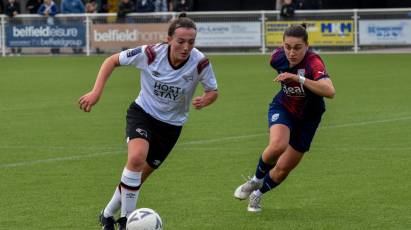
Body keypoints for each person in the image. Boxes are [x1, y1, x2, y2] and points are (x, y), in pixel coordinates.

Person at [78, 13, 218, 230]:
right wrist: (96, 92)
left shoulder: (200, 62)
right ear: (169, 39)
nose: (186, 47)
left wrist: (205, 100)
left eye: (191, 42)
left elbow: (213, 91)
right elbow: (111, 61)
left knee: (137, 178)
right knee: (136, 158)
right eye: (180, 41)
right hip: (142, 113)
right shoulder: (151, 53)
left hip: (171, 127)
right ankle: (126, 221)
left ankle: (106, 215)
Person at [233, 24, 335, 212]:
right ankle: (255, 181)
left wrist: (299, 79)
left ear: (307, 46)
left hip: (309, 118)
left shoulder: (314, 62)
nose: (291, 52)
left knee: (282, 169)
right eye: (287, 47)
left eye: (297, 48)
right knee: (278, 144)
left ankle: (257, 194)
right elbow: (281, 61)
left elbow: (330, 91)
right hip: (284, 107)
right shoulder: (277, 58)